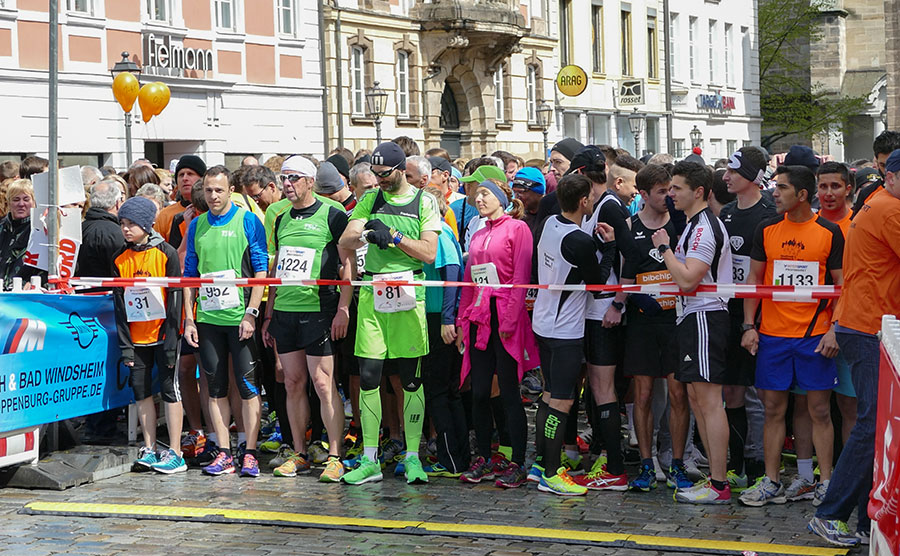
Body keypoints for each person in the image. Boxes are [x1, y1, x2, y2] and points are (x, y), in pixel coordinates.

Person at [808, 149, 900, 547]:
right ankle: (831, 513)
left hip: (867, 323)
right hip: (869, 326)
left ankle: (867, 518)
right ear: (889, 176)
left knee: (876, 425)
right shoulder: (889, 209)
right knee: (873, 424)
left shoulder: (879, 202)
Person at [738, 165, 843, 507]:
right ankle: (771, 482)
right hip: (773, 335)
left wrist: (834, 329)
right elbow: (755, 280)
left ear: (802, 194)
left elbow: (841, 285)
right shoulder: (766, 228)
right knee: (772, 409)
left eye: (781, 188)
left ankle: (825, 482)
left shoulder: (829, 232)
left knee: (819, 410)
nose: (774, 193)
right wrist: (749, 326)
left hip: (815, 336)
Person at [337, 141, 441, 485]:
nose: (380, 180)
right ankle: (370, 459)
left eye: (385, 174)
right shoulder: (371, 198)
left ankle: (412, 457)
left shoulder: (424, 201)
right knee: (369, 377)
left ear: (400, 170)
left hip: (409, 292)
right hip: (373, 292)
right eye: (376, 174)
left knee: (410, 379)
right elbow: (347, 239)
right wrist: (368, 233)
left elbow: (428, 252)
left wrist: (395, 237)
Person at [261, 159, 354, 482]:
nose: (287, 184)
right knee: (292, 382)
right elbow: (277, 266)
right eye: (283, 178)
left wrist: (343, 308)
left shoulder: (332, 215)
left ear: (310, 181)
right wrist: (269, 312)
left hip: (319, 309)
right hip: (286, 310)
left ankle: (335, 455)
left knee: (323, 383)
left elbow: (348, 264)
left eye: (294, 178)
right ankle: (299, 453)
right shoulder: (281, 218)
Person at [651, 161, 733, 504]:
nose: (671, 194)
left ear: (698, 192)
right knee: (699, 400)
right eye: (670, 188)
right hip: (693, 316)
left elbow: (687, 279)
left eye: (677, 188)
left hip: (705, 316)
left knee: (709, 402)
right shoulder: (694, 224)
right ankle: (715, 480)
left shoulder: (703, 228)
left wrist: (664, 248)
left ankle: (719, 483)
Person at [182, 165, 269, 477]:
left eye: (219, 190)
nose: (213, 196)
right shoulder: (197, 224)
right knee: (215, 388)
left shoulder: (248, 220)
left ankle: (250, 452)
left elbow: (261, 271)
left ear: (231, 190)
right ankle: (224, 452)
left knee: (247, 387)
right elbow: (189, 276)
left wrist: (252, 313)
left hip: (240, 318)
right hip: (208, 319)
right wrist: (189, 319)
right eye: (208, 190)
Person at [531, 174, 614, 496]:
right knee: (563, 401)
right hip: (565, 330)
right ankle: (552, 474)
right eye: (590, 197)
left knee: (549, 394)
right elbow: (597, 285)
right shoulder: (579, 241)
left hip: (543, 321)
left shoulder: (549, 223)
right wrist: (609, 247)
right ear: (583, 201)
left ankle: (541, 464)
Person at [456, 177, 538, 487]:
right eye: (476, 195)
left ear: (501, 199)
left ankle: (517, 460)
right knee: (479, 392)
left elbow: (521, 276)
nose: (478, 199)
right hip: (480, 318)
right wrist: (463, 319)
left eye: (485, 194)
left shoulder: (518, 229)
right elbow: (469, 279)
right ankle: (484, 457)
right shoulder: (478, 233)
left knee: (508, 391)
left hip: (505, 316)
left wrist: (510, 321)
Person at [620, 164, 693, 492]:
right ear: (644, 194)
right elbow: (623, 275)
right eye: (662, 191)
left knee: (679, 394)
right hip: (643, 321)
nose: (668, 196)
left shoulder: (680, 223)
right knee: (644, 394)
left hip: (675, 320)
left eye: (671, 190)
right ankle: (647, 464)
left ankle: (677, 462)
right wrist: (632, 299)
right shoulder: (629, 226)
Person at [111, 197, 185, 474]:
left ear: (146, 225)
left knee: (169, 390)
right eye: (122, 223)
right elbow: (119, 307)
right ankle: (150, 447)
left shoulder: (166, 253)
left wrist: (171, 339)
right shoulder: (119, 258)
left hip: (164, 336)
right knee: (141, 392)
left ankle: (175, 451)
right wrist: (126, 346)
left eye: (131, 224)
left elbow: (175, 301)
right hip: (137, 337)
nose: (126, 229)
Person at [719, 147, 776, 492]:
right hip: (730, 312)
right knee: (732, 391)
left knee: (762, 394)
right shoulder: (725, 212)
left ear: (753, 177)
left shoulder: (768, 214)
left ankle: (760, 464)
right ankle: (738, 463)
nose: (726, 177)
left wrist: (751, 322)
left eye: (734, 171)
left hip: (762, 315)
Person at [419, 186, 469, 478]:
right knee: (447, 391)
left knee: (439, 391)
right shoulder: (438, 233)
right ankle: (457, 458)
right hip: (436, 315)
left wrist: (448, 319)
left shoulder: (439, 234)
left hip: (439, 316)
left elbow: (452, 274)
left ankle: (451, 459)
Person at [0, 179, 45, 290]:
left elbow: (48, 265)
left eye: (26, 199)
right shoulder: (2, 227)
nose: (21, 204)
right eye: (16, 199)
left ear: (34, 202)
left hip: (26, 292)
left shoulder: (41, 229)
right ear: (8, 202)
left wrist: (37, 282)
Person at [78, 180, 126, 279]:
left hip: (79, 286)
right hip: (107, 287)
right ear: (117, 203)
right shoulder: (117, 232)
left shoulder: (80, 228)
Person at [157, 155, 206, 243]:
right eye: (181, 175)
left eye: (190, 174)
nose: (184, 178)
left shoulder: (213, 210)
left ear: (202, 179)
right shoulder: (165, 214)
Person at [851, 130, 900, 216]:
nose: (888, 172)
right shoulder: (867, 193)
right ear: (876, 162)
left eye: (893, 165)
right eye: (883, 165)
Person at [511, 167, 546, 235]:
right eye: (514, 192)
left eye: (521, 192)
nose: (516, 197)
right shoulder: (517, 217)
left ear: (538, 193)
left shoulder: (551, 216)